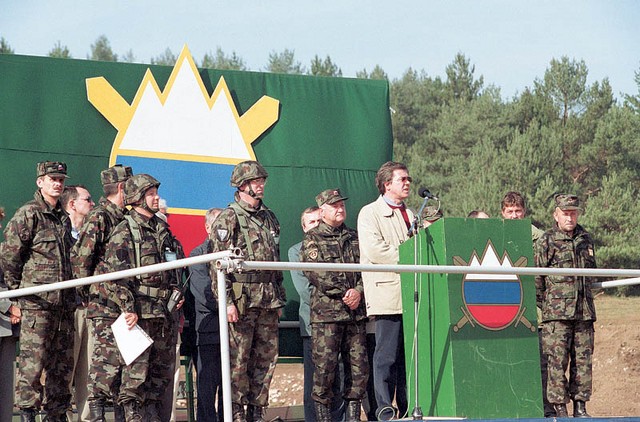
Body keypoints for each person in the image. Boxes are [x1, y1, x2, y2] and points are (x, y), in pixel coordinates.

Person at [101, 173, 185, 421]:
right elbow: (116, 274)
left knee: (160, 379)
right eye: (150, 194)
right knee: (134, 380)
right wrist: (129, 308)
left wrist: (176, 294)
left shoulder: (163, 230)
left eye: (155, 192)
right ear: (137, 198)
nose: (155, 197)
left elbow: (174, 267)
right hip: (139, 316)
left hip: (164, 315)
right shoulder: (124, 230)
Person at [208, 160, 286, 422]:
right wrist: (227, 302)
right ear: (242, 186)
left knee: (266, 359)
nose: (261, 185)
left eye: (262, 180)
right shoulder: (229, 218)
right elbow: (216, 265)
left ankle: (256, 411)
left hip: (268, 299)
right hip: (242, 301)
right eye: (256, 181)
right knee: (238, 362)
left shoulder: (269, 217)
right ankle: (237, 414)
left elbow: (276, 261)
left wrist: (280, 296)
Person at [0, 161, 75, 422]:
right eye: (52, 178)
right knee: (32, 368)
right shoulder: (28, 214)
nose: (57, 183)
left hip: (63, 307)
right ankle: (28, 415)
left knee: (61, 370)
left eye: (61, 180)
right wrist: (16, 299)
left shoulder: (64, 218)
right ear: (40, 181)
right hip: (36, 306)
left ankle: (56, 416)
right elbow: (9, 260)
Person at [72, 164, 132, 422]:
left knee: (124, 368)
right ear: (121, 187)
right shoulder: (100, 217)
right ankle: (96, 415)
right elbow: (81, 259)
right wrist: (89, 292)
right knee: (103, 365)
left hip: (125, 304)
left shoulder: (125, 217)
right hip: (104, 303)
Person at [301, 189, 368, 422]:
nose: (340, 209)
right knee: (324, 372)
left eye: (342, 205)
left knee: (358, 371)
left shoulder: (354, 236)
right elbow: (316, 273)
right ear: (322, 211)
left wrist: (358, 291)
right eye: (334, 206)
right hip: (327, 316)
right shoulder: (313, 239)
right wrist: (345, 293)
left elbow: (367, 268)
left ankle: (352, 418)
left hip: (355, 315)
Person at [357, 161, 412, 421]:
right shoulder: (369, 213)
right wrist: (409, 257)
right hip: (388, 295)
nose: (408, 183)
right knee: (386, 355)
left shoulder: (412, 215)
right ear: (386, 184)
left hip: (414, 296)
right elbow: (375, 250)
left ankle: (409, 405)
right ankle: (384, 407)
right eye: (402, 179)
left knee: (409, 358)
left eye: (408, 178)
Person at [535, 194, 596, 418]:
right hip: (557, 315)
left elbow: (592, 274)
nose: (569, 217)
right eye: (565, 213)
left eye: (573, 213)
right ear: (556, 215)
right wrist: (551, 306)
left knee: (583, 362)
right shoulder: (547, 240)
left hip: (584, 312)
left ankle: (581, 406)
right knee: (556, 362)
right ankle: (559, 408)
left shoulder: (585, 239)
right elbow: (537, 281)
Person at [289, 206, 345, 422]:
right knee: (315, 383)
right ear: (304, 228)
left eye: (318, 221)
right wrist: (340, 295)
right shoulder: (296, 251)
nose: (316, 226)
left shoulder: (335, 247)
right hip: (314, 325)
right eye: (311, 222)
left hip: (340, 323)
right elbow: (305, 290)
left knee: (339, 380)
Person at [500, 190, 552, 416]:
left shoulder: (540, 239)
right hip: (502, 312)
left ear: (524, 213)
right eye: (509, 211)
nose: (513, 216)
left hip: (534, 312)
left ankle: (547, 409)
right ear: (502, 213)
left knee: (541, 365)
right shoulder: (493, 234)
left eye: (517, 211)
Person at [61, 185, 95, 422]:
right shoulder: (58, 232)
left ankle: (86, 417)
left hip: (89, 309)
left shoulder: (92, 235)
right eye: (88, 199)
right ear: (72, 204)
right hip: (67, 311)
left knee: (89, 373)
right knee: (64, 372)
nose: (92, 204)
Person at [190, 207, 224, 422]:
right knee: (207, 390)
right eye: (219, 225)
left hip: (235, 332)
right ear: (208, 227)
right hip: (209, 332)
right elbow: (204, 294)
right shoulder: (198, 255)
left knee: (231, 392)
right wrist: (231, 306)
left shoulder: (234, 254)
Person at [0, 206, 21, 422]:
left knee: (5, 391)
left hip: (6, 327)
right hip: (7, 315)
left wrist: (16, 305)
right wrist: (9, 306)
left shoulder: (4, 251)